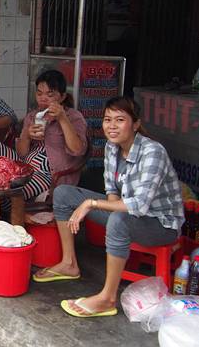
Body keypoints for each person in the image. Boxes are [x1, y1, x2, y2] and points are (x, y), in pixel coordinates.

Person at [33, 96, 184, 318]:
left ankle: (107, 298)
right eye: (107, 119)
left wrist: (91, 204)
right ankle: (69, 263)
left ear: (135, 124)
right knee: (64, 193)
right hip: (130, 214)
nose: (112, 126)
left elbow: (139, 206)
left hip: (160, 225)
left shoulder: (153, 152)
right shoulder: (112, 147)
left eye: (120, 120)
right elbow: (112, 191)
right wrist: (101, 205)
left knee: (118, 220)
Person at [14, 70, 87, 201]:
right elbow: (21, 153)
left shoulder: (74, 117)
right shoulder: (32, 116)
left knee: (11, 196)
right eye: (39, 93)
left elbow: (78, 149)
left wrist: (62, 118)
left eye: (50, 94)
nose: (43, 98)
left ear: (62, 96)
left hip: (48, 176)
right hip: (25, 168)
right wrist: (26, 135)